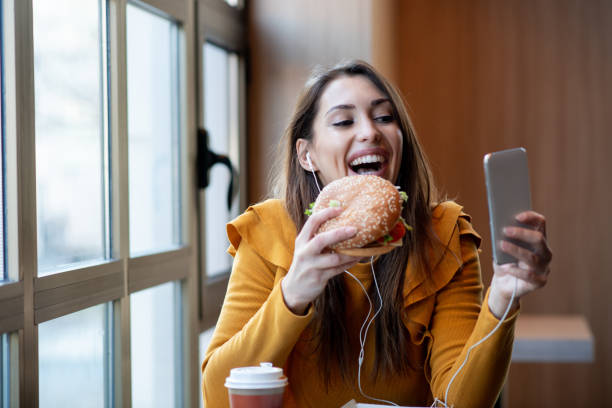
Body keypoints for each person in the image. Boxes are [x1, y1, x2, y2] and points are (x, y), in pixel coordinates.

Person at [201, 60, 552, 407]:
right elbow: (216, 395)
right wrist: (291, 295)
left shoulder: (444, 234)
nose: (370, 131)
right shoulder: (269, 230)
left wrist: (504, 298)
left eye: (384, 117)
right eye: (343, 121)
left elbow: (462, 401)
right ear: (307, 155)